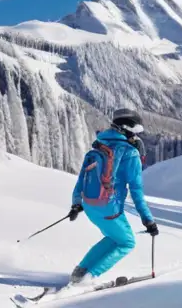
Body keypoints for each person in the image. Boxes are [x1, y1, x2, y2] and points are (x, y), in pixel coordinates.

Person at [67, 108, 158, 286]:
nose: (136, 137)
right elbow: (137, 192)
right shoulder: (130, 153)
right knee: (127, 242)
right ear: (125, 129)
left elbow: (81, 180)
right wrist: (148, 220)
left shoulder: (97, 148)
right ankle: (88, 278)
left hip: (90, 205)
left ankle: (80, 272)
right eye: (134, 133)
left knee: (114, 237)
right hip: (109, 207)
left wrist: (76, 204)